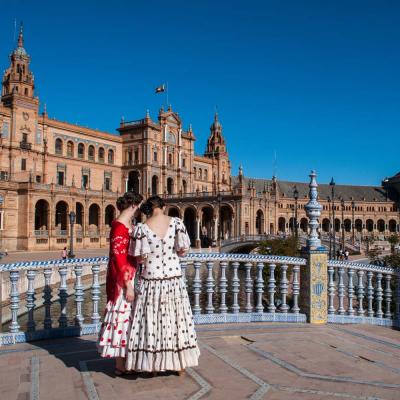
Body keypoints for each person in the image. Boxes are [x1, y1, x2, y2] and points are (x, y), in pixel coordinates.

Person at [125, 195, 200, 375]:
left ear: (150, 209)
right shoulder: (177, 223)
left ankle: (152, 366)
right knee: (176, 321)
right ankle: (180, 364)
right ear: (164, 206)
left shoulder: (141, 228)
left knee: (152, 321)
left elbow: (139, 258)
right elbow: (182, 251)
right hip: (173, 280)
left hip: (151, 280)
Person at [97, 191, 143, 376]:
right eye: (138, 207)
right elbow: (118, 259)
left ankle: (125, 361)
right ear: (133, 205)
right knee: (121, 316)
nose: (139, 210)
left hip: (128, 275)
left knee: (127, 319)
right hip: (121, 280)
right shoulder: (119, 227)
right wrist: (128, 285)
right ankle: (120, 365)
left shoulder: (126, 225)